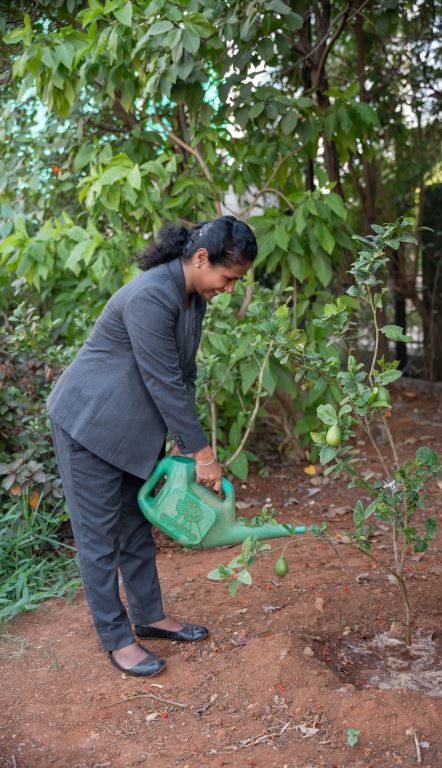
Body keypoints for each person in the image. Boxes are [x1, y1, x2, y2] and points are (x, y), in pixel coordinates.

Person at [46, 215, 257, 677]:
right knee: (99, 539)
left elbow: (184, 376)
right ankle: (117, 638)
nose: (228, 288)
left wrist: (185, 444)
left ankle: (149, 616)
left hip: (127, 431)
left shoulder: (192, 298)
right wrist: (202, 454)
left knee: (135, 528)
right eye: (227, 278)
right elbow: (161, 380)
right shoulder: (150, 296)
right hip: (88, 425)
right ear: (201, 258)